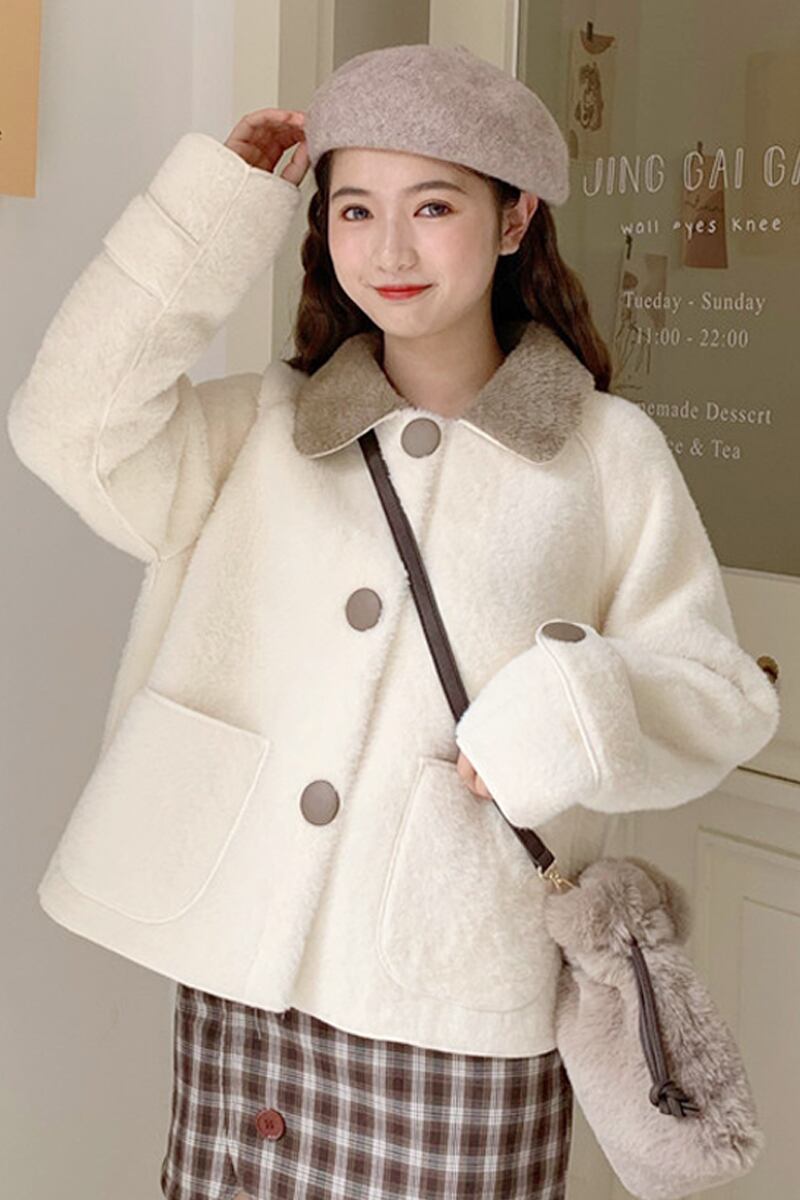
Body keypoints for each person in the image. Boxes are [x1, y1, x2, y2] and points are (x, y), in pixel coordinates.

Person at [7, 43, 779, 1200]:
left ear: (513, 218)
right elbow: (68, 425)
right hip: (250, 972)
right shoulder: (259, 431)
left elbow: (718, 694)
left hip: (452, 992)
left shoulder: (605, 455)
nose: (389, 251)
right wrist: (214, 211)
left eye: (433, 206)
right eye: (354, 209)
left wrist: (567, 711)